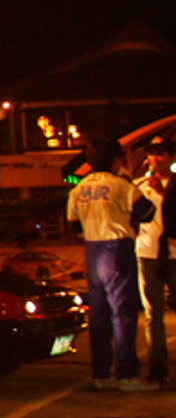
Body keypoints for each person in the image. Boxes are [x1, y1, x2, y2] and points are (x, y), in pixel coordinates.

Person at [67, 138, 158, 391]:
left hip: (92, 250)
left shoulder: (79, 189)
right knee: (124, 314)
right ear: (116, 160)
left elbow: (72, 224)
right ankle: (127, 374)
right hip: (117, 249)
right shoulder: (122, 185)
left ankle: (101, 373)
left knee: (98, 316)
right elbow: (147, 212)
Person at [133, 136, 174, 383]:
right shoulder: (139, 186)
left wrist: (163, 194)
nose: (155, 158)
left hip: (173, 254)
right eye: (151, 153)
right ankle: (158, 367)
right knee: (152, 314)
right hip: (147, 254)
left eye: (160, 153)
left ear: (171, 157)